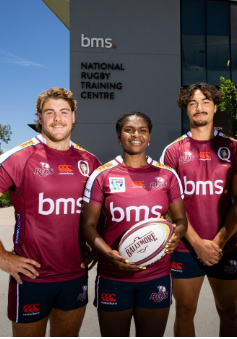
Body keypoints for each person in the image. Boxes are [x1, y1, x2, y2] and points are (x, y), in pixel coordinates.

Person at [0, 88, 101, 336]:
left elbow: (104, 208)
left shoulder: (89, 161)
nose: (57, 118)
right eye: (50, 112)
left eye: (64, 112)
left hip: (75, 274)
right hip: (32, 277)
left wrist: (98, 243)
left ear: (74, 117)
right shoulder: (18, 158)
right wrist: (1, 256)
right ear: (39, 118)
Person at [80, 111, 188, 337]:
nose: (136, 135)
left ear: (149, 137)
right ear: (119, 137)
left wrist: (176, 235)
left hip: (156, 276)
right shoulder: (102, 175)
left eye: (142, 130)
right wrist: (108, 254)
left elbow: (180, 220)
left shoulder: (167, 175)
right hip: (113, 277)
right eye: (129, 130)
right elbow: (88, 225)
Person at [160, 83, 237, 337]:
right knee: (185, 311)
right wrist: (198, 244)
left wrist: (218, 242)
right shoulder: (173, 151)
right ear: (186, 109)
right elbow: (170, 204)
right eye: (193, 103)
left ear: (215, 107)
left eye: (205, 101)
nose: (200, 107)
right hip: (186, 247)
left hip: (226, 246)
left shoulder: (234, 149)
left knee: (229, 310)